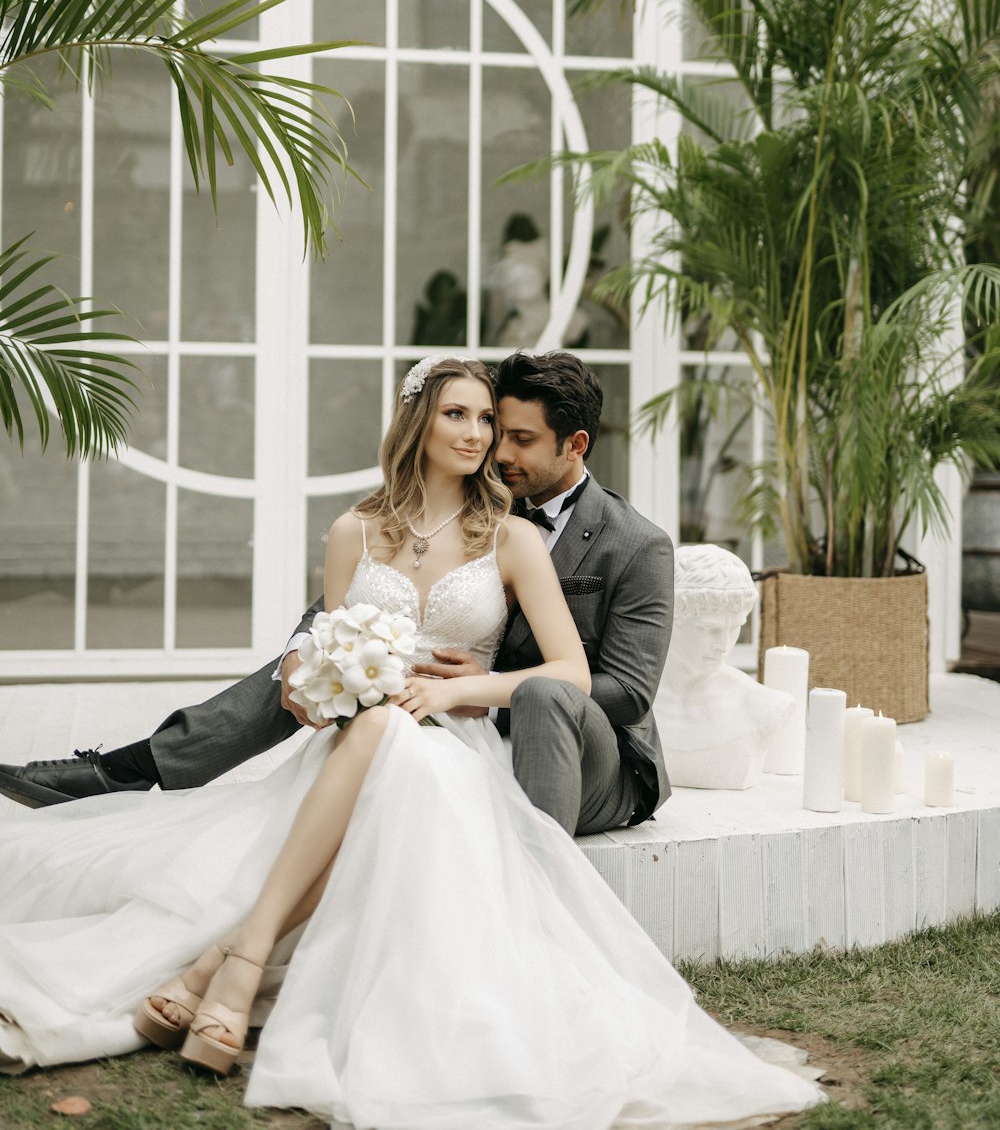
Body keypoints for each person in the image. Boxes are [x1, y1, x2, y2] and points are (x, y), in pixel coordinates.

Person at [0, 356, 824, 1126]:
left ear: (570, 445)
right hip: (369, 735)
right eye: (465, 419)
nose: (485, 440)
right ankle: (178, 847)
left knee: (396, 735)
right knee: (367, 722)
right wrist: (314, 673)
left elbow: (602, 684)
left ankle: (230, 955)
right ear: (420, 424)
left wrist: (462, 686)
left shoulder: (565, 538)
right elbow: (325, 633)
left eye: (500, 429)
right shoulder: (355, 530)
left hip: (519, 738)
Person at [0, 351, 672, 839]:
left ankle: (536, 875)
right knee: (326, 657)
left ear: (575, 444)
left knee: (529, 691)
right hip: (433, 709)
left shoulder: (632, 543)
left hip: (581, 749)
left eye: (514, 437)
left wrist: (485, 683)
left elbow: (628, 693)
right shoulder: (473, 507)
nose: (493, 448)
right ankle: (129, 770)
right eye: (491, 428)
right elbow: (351, 603)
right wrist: (306, 654)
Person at [659, 544, 795, 789]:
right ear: (669, 618)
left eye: (734, 628)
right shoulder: (632, 698)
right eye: (709, 629)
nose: (723, 645)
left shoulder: (763, 706)